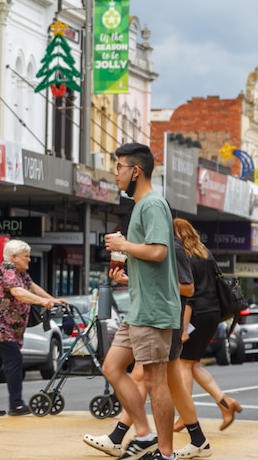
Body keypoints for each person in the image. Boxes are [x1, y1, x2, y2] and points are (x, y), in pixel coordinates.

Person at [84, 230, 211, 458]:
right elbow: (153, 283)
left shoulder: (171, 246)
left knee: (144, 377)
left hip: (164, 321)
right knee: (166, 382)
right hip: (153, 318)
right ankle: (197, 439)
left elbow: (187, 288)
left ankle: (127, 438)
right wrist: (128, 279)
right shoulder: (152, 246)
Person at [102, 143, 181, 460]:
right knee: (112, 368)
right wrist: (130, 277)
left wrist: (124, 244)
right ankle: (145, 434)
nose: (116, 173)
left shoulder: (151, 205)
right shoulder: (140, 207)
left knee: (154, 380)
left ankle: (165, 453)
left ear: (135, 170)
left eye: (119, 166)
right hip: (140, 307)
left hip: (153, 310)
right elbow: (154, 264)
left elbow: (159, 251)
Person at [0, 239, 68, 418]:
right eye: (26, 256)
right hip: (0, 327)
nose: (29, 259)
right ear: (14, 257)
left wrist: (52, 299)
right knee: (14, 360)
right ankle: (16, 405)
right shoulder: (7, 270)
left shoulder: (20, 272)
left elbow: (32, 287)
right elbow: (17, 292)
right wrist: (43, 302)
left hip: (5, 327)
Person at [174, 218, 242, 434]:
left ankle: (185, 415)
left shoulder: (184, 257)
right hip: (213, 314)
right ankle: (225, 403)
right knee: (192, 365)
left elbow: (190, 298)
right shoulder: (205, 254)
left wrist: (183, 328)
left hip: (196, 315)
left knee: (184, 364)